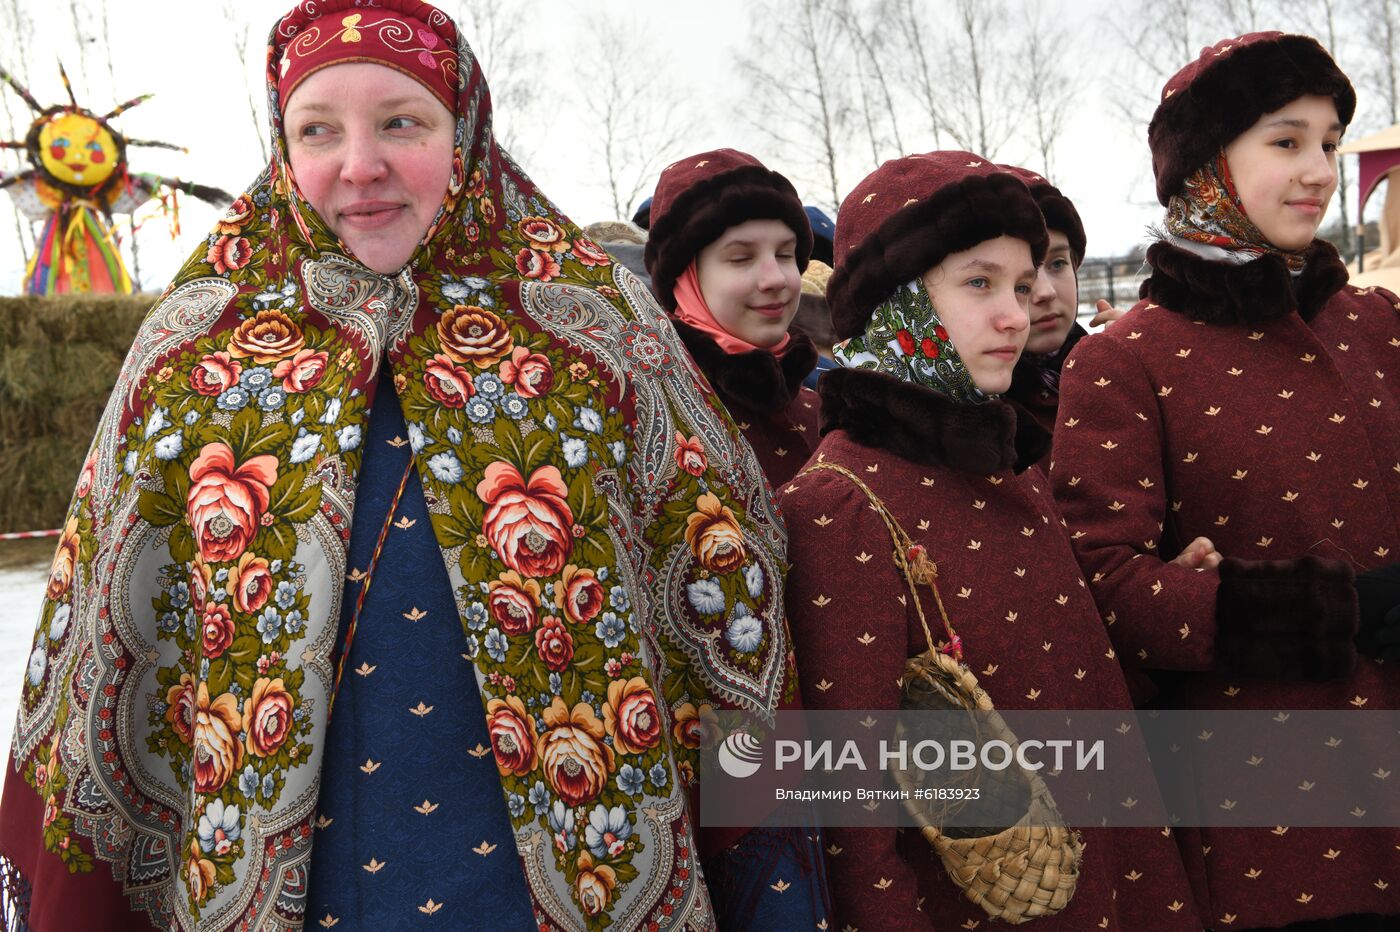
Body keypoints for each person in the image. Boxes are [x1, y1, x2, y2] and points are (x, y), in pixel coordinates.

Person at [0, 2, 802, 929]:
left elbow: (729, 620)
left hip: (570, 880)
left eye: (401, 123)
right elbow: (104, 641)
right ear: (282, 148)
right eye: (318, 130)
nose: (359, 165)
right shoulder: (190, 354)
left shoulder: (598, 335)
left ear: (466, 136)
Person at [780, 151, 1201, 931]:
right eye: (980, 283)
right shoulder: (840, 506)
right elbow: (853, 824)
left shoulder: (1011, 470)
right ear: (894, 300)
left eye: (1022, 284)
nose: (1017, 314)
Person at [1051, 32, 1400, 929]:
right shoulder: (1127, 359)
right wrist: (1317, 612)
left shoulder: (1379, 323)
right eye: (1286, 141)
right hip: (1282, 810)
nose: (1319, 170)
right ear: (1205, 163)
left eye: (1330, 143)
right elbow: (1102, 585)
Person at [644, 149, 822, 487]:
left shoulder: (829, 408)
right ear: (685, 279)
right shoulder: (649, 416)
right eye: (741, 258)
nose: (776, 278)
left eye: (786, 254)